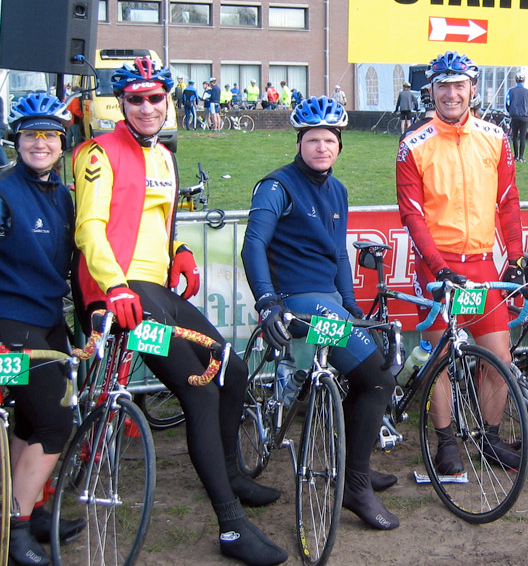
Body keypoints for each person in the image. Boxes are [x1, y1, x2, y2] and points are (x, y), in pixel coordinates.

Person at [71, 57, 287, 566]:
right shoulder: (97, 153)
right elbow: (90, 229)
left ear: (168, 101)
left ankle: (230, 471)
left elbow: (161, 225)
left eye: (156, 98)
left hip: (156, 288)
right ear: (121, 104)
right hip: (118, 291)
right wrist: (115, 286)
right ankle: (230, 524)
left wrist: (180, 253)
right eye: (136, 99)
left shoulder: (164, 157)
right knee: (199, 392)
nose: (147, 107)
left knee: (231, 369)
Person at [241, 96, 399, 531]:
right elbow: (253, 244)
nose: (322, 147)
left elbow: (339, 257)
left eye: (330, 140)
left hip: (330, 301)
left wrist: (350, 305)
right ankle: (354, 484)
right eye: (313, 139)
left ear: (340, 145)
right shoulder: (276, 186)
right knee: (378, 378)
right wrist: (267, 301)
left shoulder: (339, 190)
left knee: (373, 372)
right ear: (299, 142)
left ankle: (353, 464)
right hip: (296, 300)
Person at [396, 50, 526, 474]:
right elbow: (412, 215)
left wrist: (516, 256)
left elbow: (508, 203)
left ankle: (489, 439)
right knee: (439, 360)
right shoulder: (413, 144)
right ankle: (446, 443)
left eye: (459, 85)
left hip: (483, 265)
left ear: (473, 89)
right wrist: (438, 266)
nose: (451, 94)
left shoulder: (495, 136)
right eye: (442, 86)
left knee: (500, 360)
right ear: (430, 91)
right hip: (437, 268)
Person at [1, 93, 84, 566]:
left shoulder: (63, 196)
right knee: (55, 421)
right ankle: (14, 534)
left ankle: (26, 512)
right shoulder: (4, 190)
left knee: (32, 419)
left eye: (49, 135)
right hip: (11, 322)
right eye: (30, 134)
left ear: (62, 142)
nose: (40, 143)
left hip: (49, 321)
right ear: (16, 140)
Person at [505, 72, 528, 162]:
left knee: (514, 136)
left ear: (516, 80)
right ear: (524, 80)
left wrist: (510, 111)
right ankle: (521, 157)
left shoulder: (511, 91)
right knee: (522, 137)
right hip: (524, 116)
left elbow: (507, 103)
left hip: (514, 116)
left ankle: (516, 156)